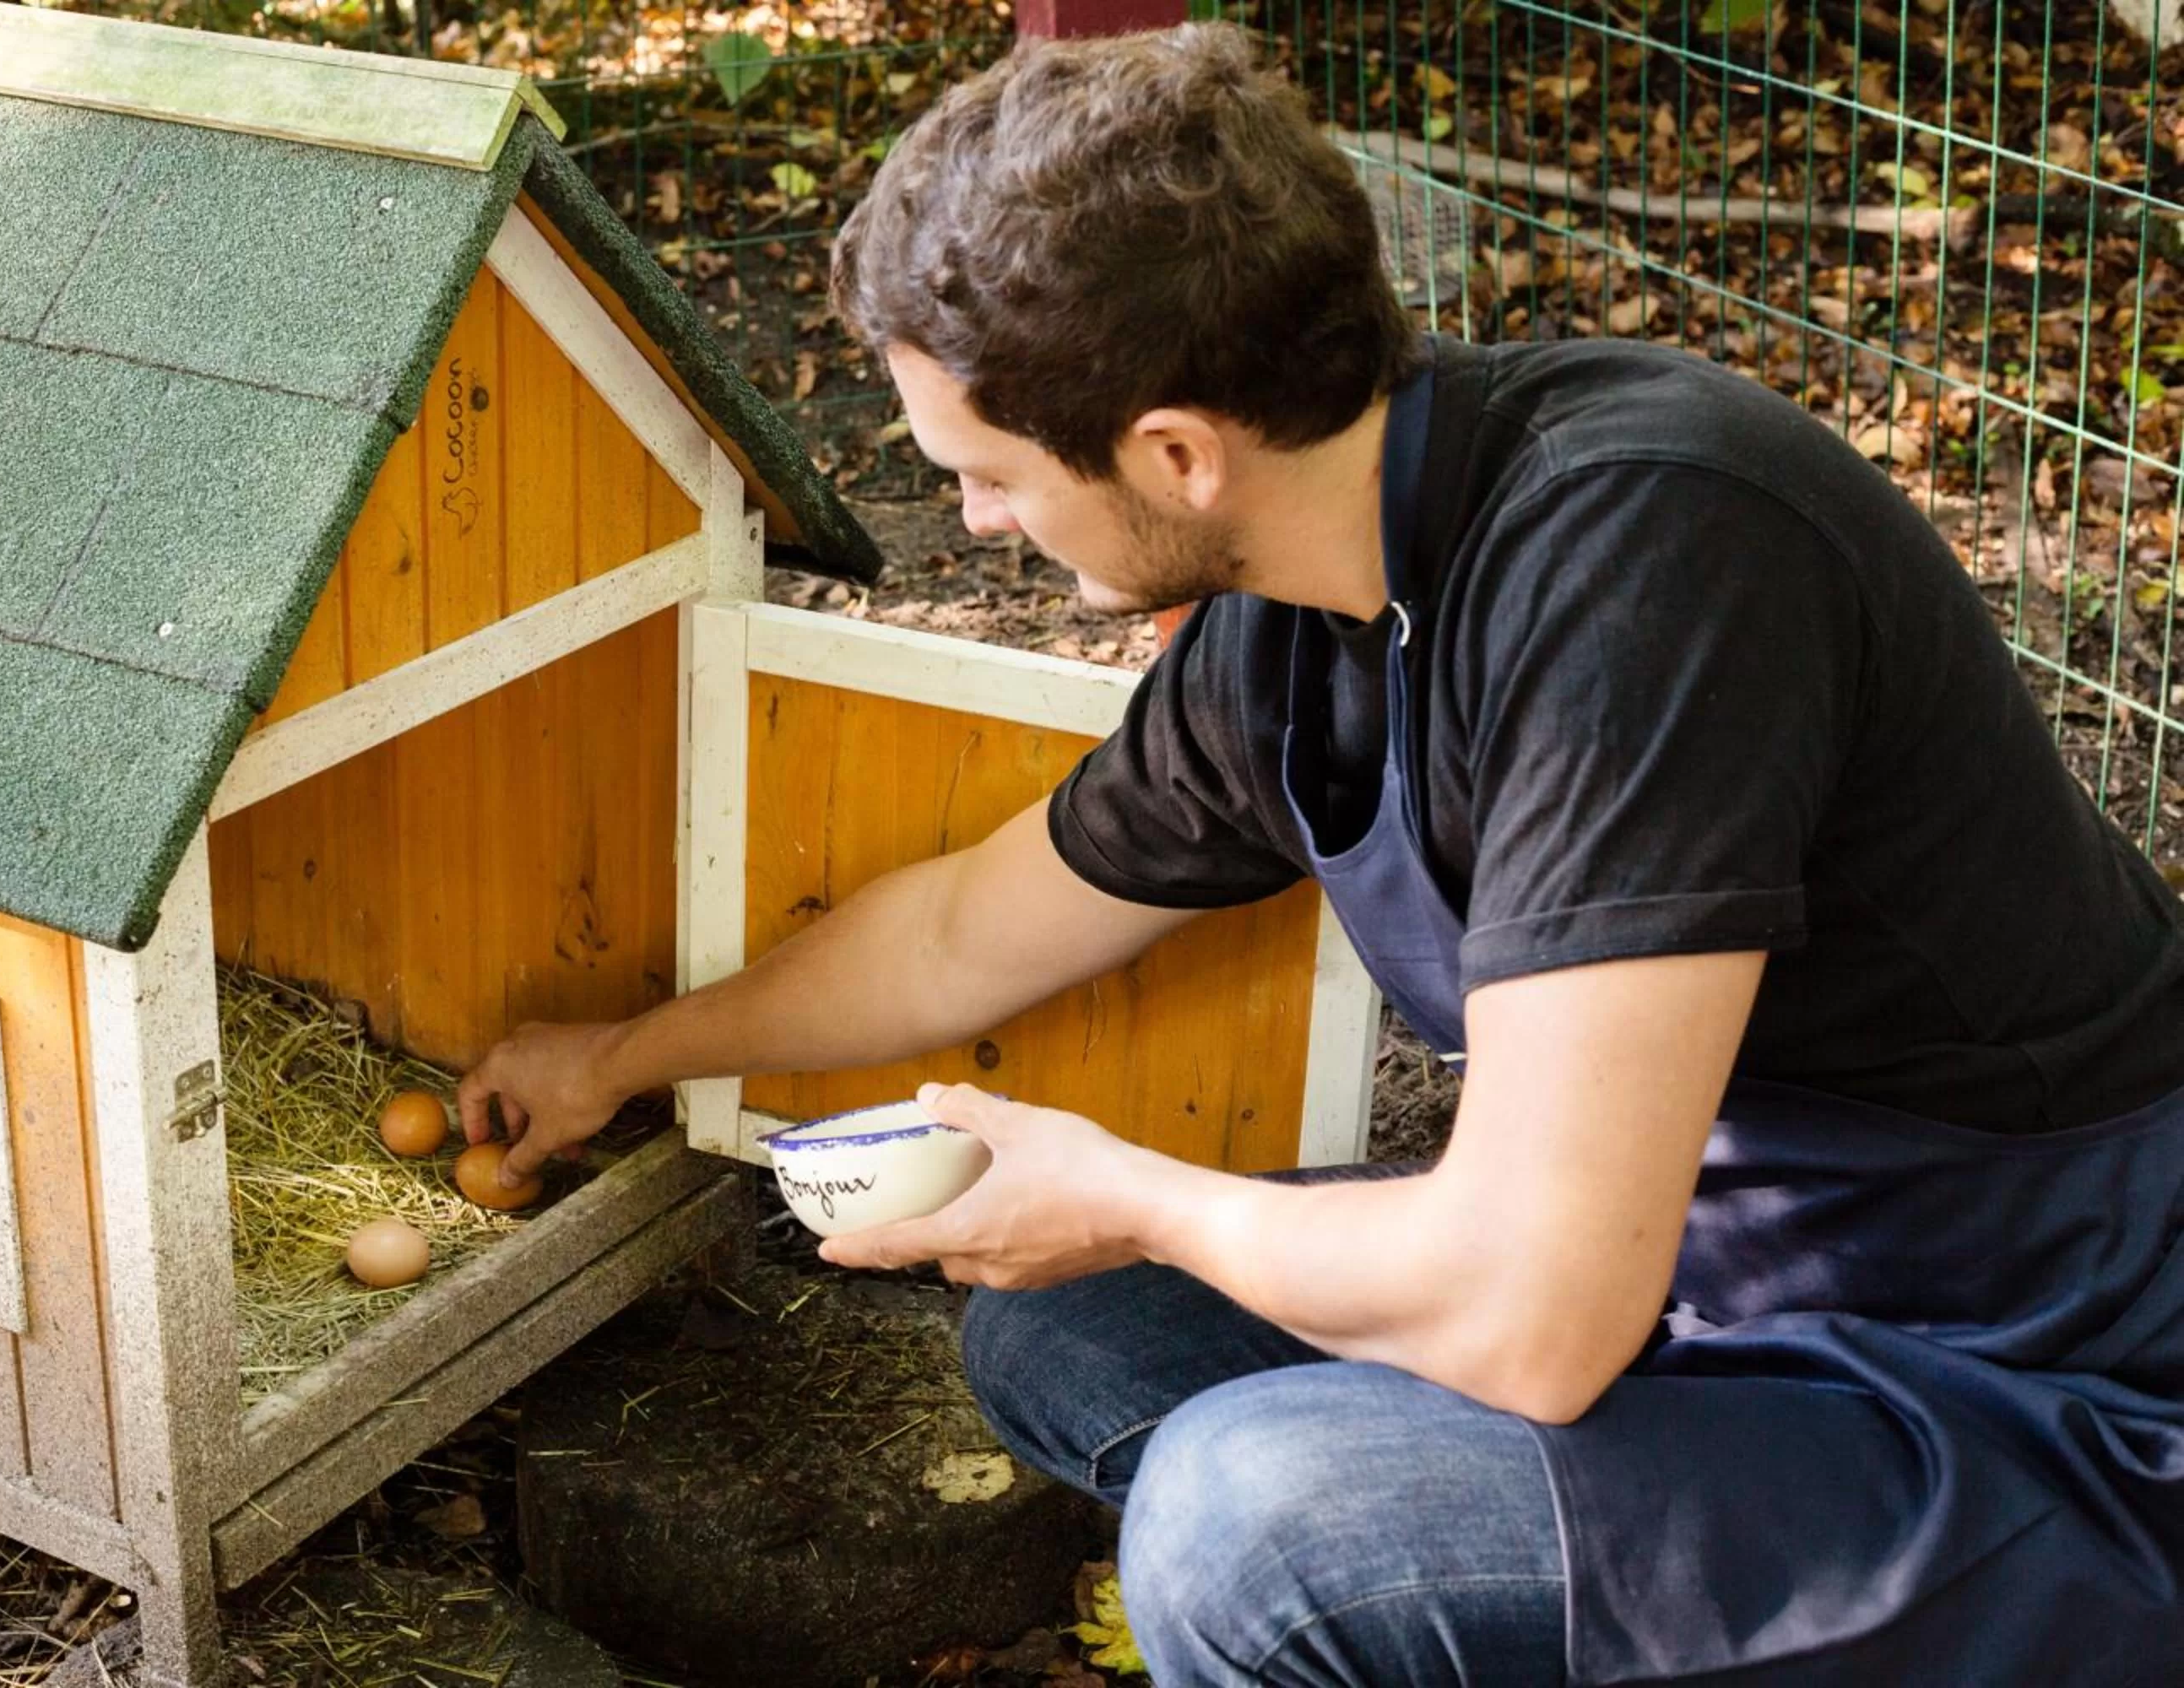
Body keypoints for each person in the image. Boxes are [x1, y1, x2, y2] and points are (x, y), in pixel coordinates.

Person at [458, 22, 2184, 1686]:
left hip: (2017, 1381)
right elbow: (975, 928)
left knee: (1253, 1527)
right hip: (1696, 1284)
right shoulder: (1304, 608)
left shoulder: (1647, 562)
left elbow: (1531, 1315)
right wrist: (625, 1053)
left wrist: (1131, 1190)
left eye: (983, 474)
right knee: (1076, 1326)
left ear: (1176, 452)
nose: (973, 518)